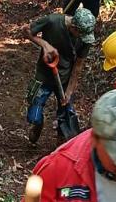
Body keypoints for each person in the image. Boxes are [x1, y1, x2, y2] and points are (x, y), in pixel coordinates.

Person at [25, 8, 95, 144]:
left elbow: (78, 65)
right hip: (43, 75)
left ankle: (62, 139)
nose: (82, 38)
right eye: (80, 34)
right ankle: (37, 125)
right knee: (34, 113)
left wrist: (69, 92)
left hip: (64, 79)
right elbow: (26, 31)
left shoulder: (85, 38)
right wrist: (45, 44)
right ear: (74, 28)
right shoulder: (52, 21)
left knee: (67, 112)